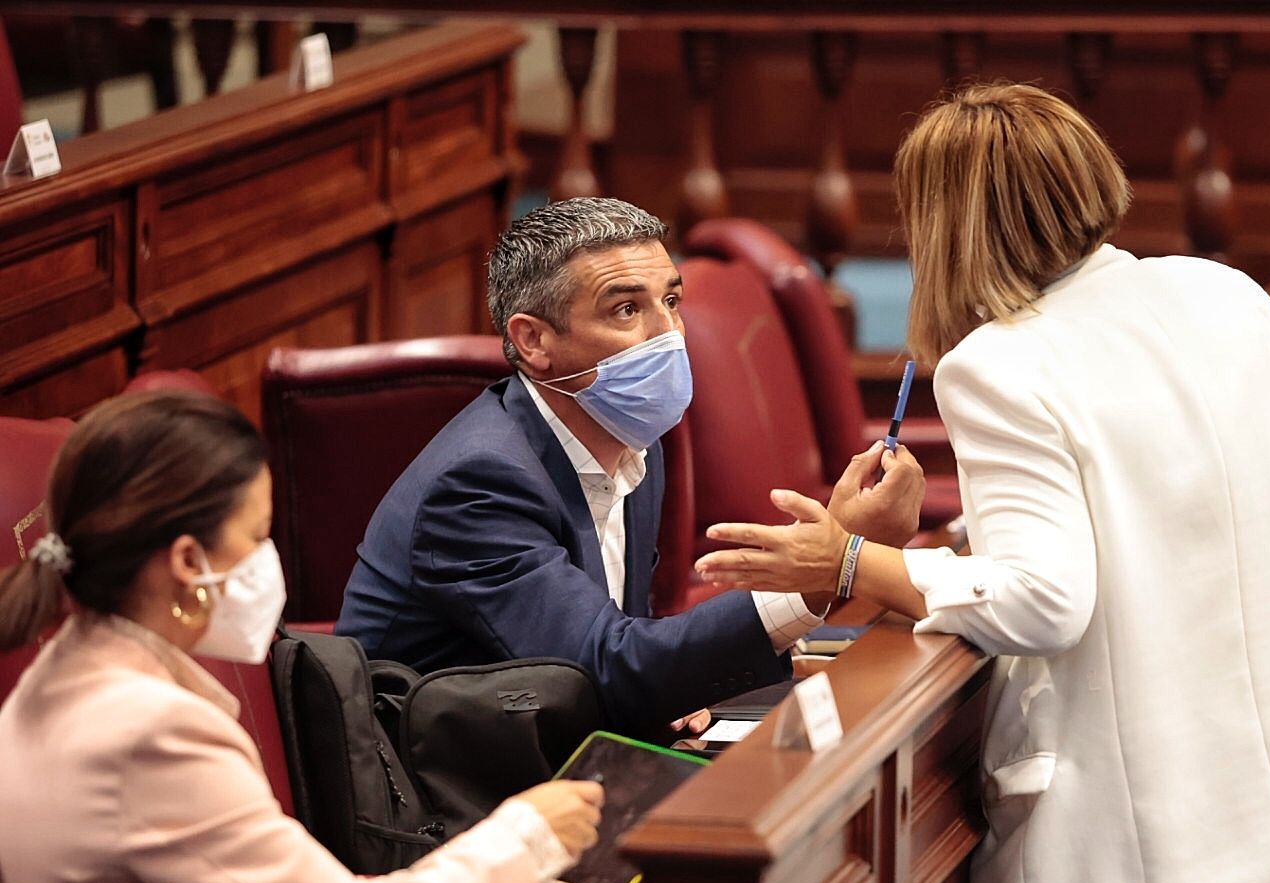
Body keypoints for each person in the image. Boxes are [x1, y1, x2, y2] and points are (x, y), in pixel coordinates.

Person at [693, 83, 1270, 883]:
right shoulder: (1227, 294)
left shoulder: (1000, 365)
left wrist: (849, 562)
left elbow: (1044, 603)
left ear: (943, 222)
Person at [0, 391, 604, 883]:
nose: (269, 561)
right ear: (188, 560)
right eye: (257, 535)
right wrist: (529, 835)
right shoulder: (150, 734)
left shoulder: (55, 680)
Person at [336, 197, 923, 736]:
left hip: (550, 744)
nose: (669, 335)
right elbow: (603, 667)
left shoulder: (630, 442)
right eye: (625, 310)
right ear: (534, 341)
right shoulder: (479, 484)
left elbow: (620, 648)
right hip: (442, 797)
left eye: (671, 301)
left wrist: (669, 684)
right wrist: (820, 570)